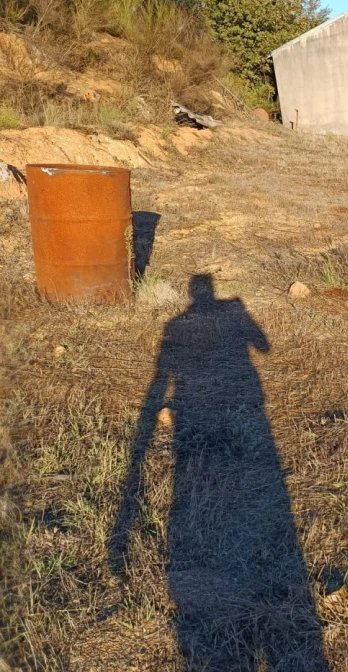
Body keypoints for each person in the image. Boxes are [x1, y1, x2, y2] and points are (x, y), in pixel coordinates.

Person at [111, 275, 327, 671]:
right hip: (245, 402)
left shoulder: (176, 325)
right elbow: (264, 345)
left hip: (203, 409)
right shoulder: (229, 312)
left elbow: (164, 374)